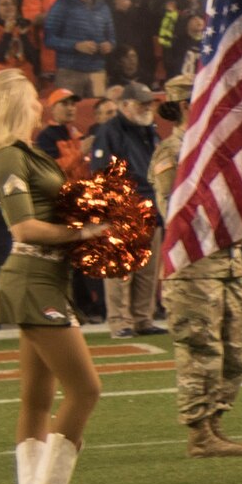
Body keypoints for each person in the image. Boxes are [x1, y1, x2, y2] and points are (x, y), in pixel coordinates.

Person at [0, 68, 110, 484]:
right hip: (33, 277)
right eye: (32, 98)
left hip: (47, 276)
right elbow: (24, 228)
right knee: (86, 389)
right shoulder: (9, 156)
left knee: (36, 398)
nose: (38, 105)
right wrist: (85, 231)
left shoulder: (29, 152)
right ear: (14, 104)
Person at [151, 72, 242, 458]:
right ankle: (199, 432)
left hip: (226, 263)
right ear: (181, 106)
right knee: (199, 348)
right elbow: (176, 210)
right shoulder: (171, 152)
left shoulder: (215, 149)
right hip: (194, 266)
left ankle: (215, 423)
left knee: (231, 351)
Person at [90, 81, 164, 337]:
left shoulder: (149, 129)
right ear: (124, 105)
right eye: (141, 103)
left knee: (147, 270)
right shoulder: (109, 131)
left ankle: (143, 318)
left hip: (150, 205)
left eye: (148, 103)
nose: (146, 108)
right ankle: (120, 321)